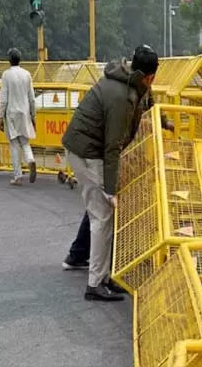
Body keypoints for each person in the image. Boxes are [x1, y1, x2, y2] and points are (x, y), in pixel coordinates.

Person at [62, 45, 159, 301]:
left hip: (86, 148)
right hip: (87, 152)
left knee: (103, 217)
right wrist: (110, 189)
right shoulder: (122, 96)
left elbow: (141, 111)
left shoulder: (127, 84)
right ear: (149, 76)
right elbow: (112, 146)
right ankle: (95, 284)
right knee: (102, 218)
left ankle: (103, 277)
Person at [62, 88, 174, 271]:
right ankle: (105, 266)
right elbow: (115, 135)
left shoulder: (137, 89)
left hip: (116, 153)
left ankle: (80, 255)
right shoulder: (120, 95)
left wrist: (164, 122)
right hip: (110, 155)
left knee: (100, 207)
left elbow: (151, 108)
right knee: (104, 209)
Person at [0, 48, 37, 186]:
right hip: (24, 112)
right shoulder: (27, 74)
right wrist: (33, 115)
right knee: (25, 142)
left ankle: (18, 176)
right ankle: (31, 159)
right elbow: (32, 98)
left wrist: (0, 118)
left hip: (11, 113)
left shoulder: (6, 75)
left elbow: (3, 99)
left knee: (14, 144)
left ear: (9, 60)